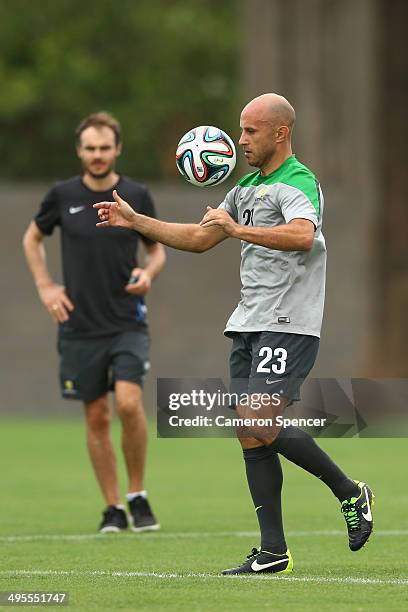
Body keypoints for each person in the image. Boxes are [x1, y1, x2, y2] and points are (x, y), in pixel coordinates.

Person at [92, 94, 374, 573]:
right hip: (247, 323)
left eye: (251, 131)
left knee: (258, 419)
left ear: (280, 133)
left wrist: (238, 231)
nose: (240, 140)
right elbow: (202, 238)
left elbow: (303, 234)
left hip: (288, 323)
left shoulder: (297, 181)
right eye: (241, 130)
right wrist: (136, 222)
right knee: (249, 430)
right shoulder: (245, 188)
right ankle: (271, 552)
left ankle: (350, 492)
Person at [23, 112, 166, 533]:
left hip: (127, 322)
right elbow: (31, 239)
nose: (98, 155)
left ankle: (137, 495)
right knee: (97, 416)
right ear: (79, 151)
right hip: (79, 326)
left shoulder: (136, 194)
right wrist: (46, 286)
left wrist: (149, 273)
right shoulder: (61, 195)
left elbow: (157, 250)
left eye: (105, 147)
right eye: (90, 148)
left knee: (127, 403)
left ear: (117, 148)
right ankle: (112, 508)